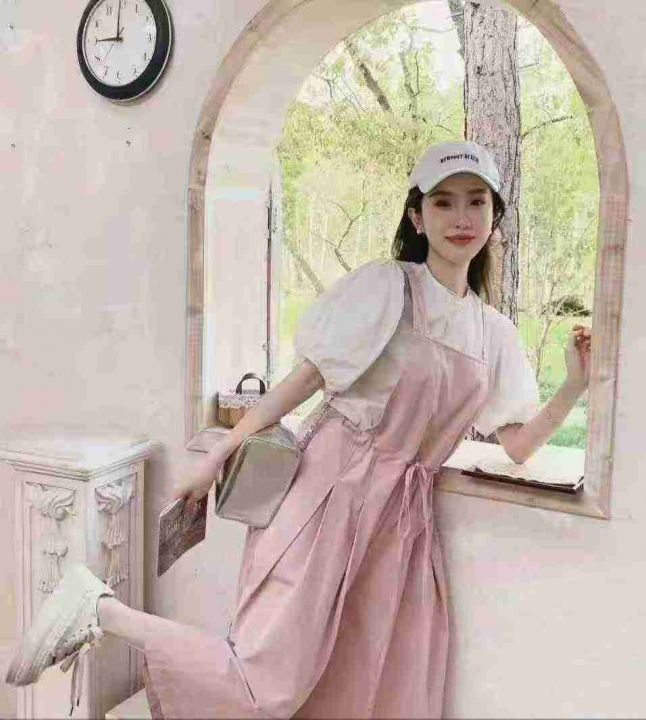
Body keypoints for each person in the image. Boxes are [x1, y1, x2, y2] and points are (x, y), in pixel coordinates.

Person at [4, 140, 592, 718]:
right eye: (443, 202)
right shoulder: (387, 287)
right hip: (328, 495)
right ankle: (99, 609)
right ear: (417, 216)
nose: (461, 218)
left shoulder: (494, 334)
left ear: (495, 217)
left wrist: (574, 384)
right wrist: (218, 455)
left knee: (362, 688)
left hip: (401, 528)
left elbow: (518, 444)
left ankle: (98, 612)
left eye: (476, 202)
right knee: (266, 683)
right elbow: (301, 382)